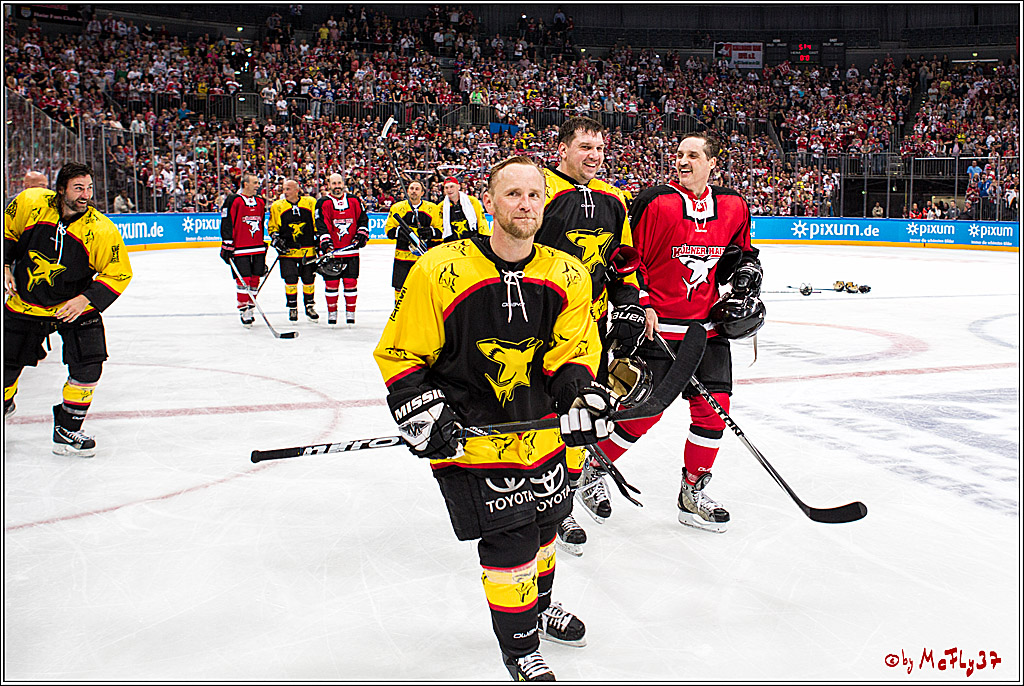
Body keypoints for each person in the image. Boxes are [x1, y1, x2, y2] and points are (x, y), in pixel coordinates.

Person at [373, 155, 613, 680]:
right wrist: (418, 408)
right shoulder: (439, 269)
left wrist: (577, 396)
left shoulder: (567, 271)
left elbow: (573, 351)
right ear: (488, 202)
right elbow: (400, 353)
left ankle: (539, 607)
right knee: (511, 541)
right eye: (511, 194)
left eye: (533, 194)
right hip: (474, 440)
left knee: (548, 528)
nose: (524, 204)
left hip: (544, 434)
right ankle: (520, 645)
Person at [595, 131, 764, 534]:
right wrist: (640, 304)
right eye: (679, 154)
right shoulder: (655, 202)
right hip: (659, 329)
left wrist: (746, 276)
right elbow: (625, 258)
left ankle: (693, 491)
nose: (683, 161)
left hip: (706, 331)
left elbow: (742, 255)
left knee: (714, 413)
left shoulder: (734, 206)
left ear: (711, 163)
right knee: (643, 413)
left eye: (693, 155)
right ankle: (591, 470)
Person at [535, 116, 645, 554]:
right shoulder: (540, 188)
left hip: (590, 326)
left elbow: (622, 260)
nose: (594, 156)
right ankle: (541, 498)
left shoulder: (615, 198)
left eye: (599, 148)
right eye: (584, 146)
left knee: (582, 411)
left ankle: (567, 500)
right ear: (562, 148)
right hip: (539, 322)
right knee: (543, 415)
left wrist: (632, 304)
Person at [3, 162, 133, 456]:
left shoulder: (101, 228)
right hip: (25, 303)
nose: (85, 195)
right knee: (6, 366)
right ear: (60, 189)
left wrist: (85, 300)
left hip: (73, 306)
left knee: (89, 366)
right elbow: (7, 233)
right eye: (78, 188)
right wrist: (5, 265)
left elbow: (119, 272)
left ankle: (68, 428)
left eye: (89, 188)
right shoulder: (31, 202)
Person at [313, 173, 368, 325]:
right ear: (328, 185)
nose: (337, 186)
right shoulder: (323, 202)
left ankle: (351, 314)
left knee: (351, 282)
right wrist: (325, 242)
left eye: (339, 183)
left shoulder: (354, 200)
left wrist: (361, 234)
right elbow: (321, 224)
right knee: (331, 284)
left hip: (351, 252)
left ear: (344, 183)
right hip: (332, 252)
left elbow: (363, 218)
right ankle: (332, 313)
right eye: (334, 183)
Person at [219, 173, 268, 328]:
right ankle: (243, 308)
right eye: (254, 182)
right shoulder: (233, 200)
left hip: (258, 246)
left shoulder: (260, 201)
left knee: (255, 279)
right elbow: (227, 222)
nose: (257, 185)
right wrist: (227, 244)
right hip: (240, 248)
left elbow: (260, 222)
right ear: (245, 184)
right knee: (243, 279)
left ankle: (251, 307)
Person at [268, 178, 318, 322]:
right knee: (290, 279)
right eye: (284, 189)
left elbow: (316, 223)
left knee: (309, 279)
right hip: (288, 252)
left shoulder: (310, 203)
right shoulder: (277, 206)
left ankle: (309, 306)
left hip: (308, 250)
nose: (285, 192)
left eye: (288, 189)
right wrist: (276, 238)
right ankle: (292, 307)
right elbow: (272, 227)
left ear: (297, 190)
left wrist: (319, 240)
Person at [383, 179, 441, 292]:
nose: (414, 191)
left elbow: (441, 231)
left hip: (424, 259)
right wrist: (400, 232)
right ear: (407, 191)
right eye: (411, 188)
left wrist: (430, 232)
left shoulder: (433, 208)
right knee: (400, 289)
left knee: (423, 290)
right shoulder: (397, 208)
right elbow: (389, 231)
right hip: (402, 258)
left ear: (422, 193)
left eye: (417, 189)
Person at [436, 175, 489, 242]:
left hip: (472, 240)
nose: (449, 190)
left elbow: (481, 219)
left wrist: (485, 237)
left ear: (458, 187)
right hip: (452, 242)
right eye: (446, 188)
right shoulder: (441, 206)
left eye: (452, 187)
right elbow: (440, 226)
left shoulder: (472, 201)